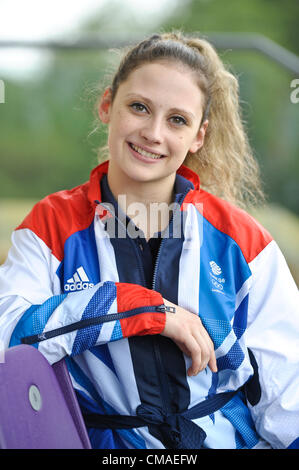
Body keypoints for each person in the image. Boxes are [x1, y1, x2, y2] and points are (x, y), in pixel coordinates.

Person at [0, 31, 298, 450]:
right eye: (139, 107)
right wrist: (143, 309)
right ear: (107, 106)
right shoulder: (51, 226)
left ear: (199, 135)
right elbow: (10, 338)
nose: (153, 133)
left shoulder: (242, 241)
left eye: (177, 119)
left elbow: (290, 399)